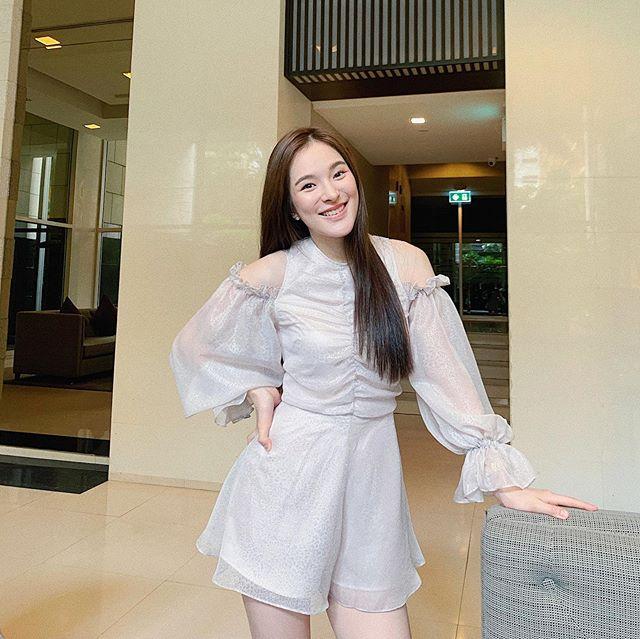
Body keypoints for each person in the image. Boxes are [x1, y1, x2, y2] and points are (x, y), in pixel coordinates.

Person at [169, 127, 598, 639]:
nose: (330, 193)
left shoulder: (405, 264)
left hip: (372, 485)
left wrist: (506, 481)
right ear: (291, 208)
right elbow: (195, 346)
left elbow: (447, 378)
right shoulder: (274, 273)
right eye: (308, 185)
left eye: (338, 174)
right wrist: (257, 388)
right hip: (287, 481)